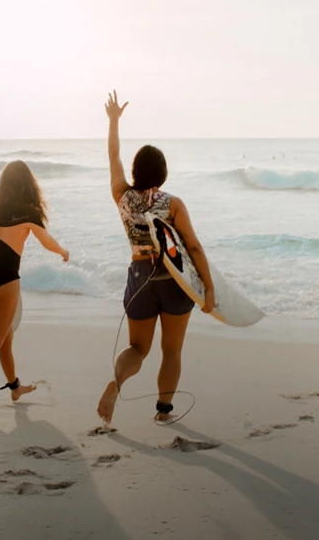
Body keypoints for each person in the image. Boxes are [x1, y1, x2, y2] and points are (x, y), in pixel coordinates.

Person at [97, 91, 215, 423]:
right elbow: (192, 247)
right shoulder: (172, 202)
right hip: (174, 280)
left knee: (138, 349)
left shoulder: (122, 196)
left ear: (135, 171)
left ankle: (116, 384)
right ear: (163, 173)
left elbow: (113, 157)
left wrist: (113, 121)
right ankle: (164, 412)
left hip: (139, 279)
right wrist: (209, 288)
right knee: (171, 350)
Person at [0, 160, 69, 411]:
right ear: (28, 184)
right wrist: (64, 252)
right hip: (5, 282)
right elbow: (47, 241)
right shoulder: (28, 212)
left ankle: (15, 387)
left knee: (5, 336)